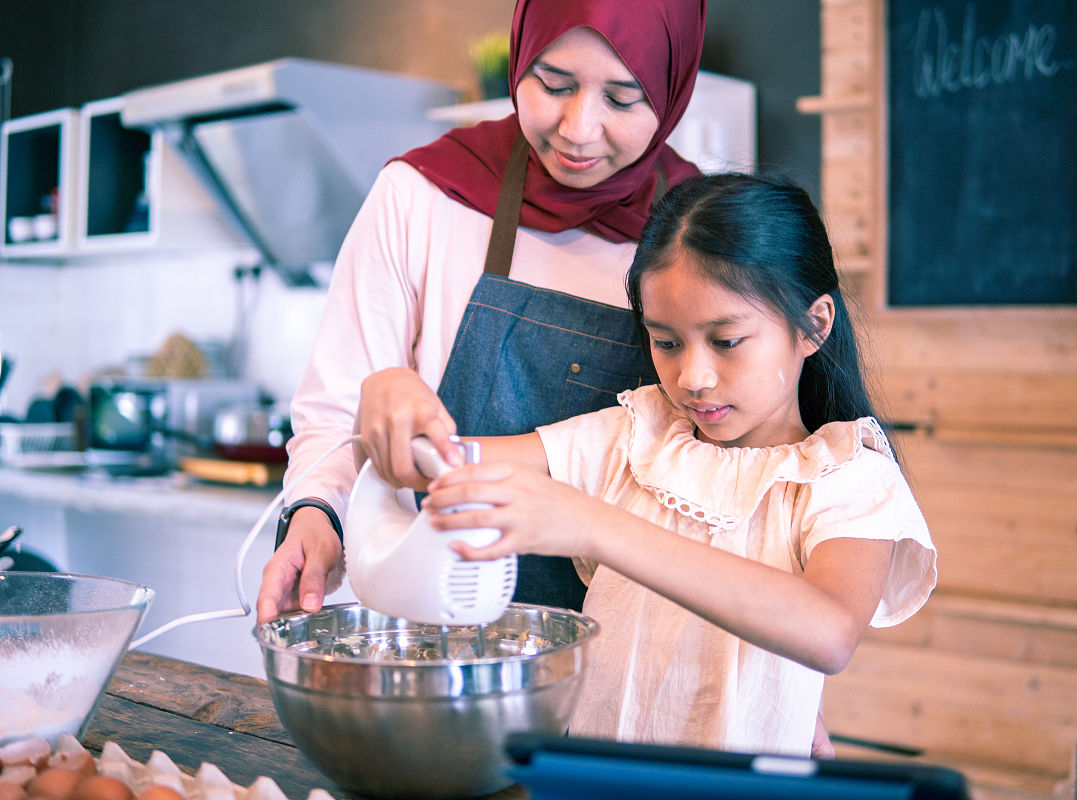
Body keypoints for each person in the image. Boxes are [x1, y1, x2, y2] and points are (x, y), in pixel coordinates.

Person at [407, 172, 938, 756]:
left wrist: (593, 525)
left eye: (727, 341)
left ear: (813, 325)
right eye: (666, 342)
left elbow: (830, 632)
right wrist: (392, 397)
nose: (693, 377)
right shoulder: (638, 433)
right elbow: (436, 466)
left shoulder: (845, 477)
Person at [258, 0, 707, 625]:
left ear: (672, 88)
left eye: (623, 99)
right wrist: (316, 513)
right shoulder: (423, 193)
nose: (578, 128)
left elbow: (739, 456)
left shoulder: (700, 233)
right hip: (433, 629)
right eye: (553, 85)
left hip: (634, 650)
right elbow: (338, 409)